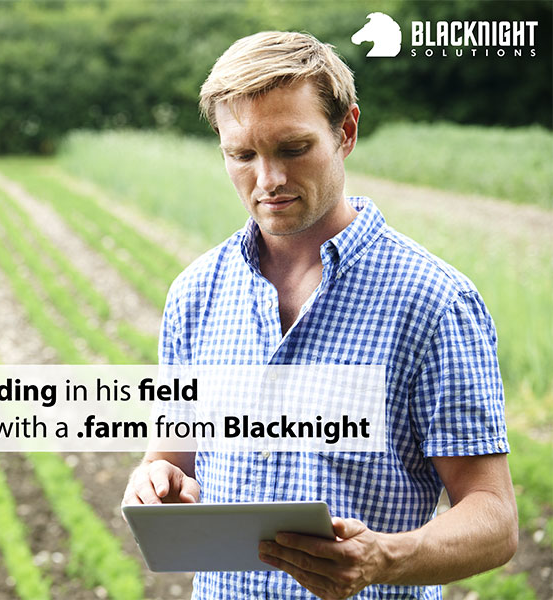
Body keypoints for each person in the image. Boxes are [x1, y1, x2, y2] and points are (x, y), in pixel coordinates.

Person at [122, 31, 518, 600]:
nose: (269, 180)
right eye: (242, 155)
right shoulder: (195, 293)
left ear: (346, 131)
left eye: (292, 148)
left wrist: (382, 557)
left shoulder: (433, 301)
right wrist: (154, 484)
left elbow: (495, 519)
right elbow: (169, 457)